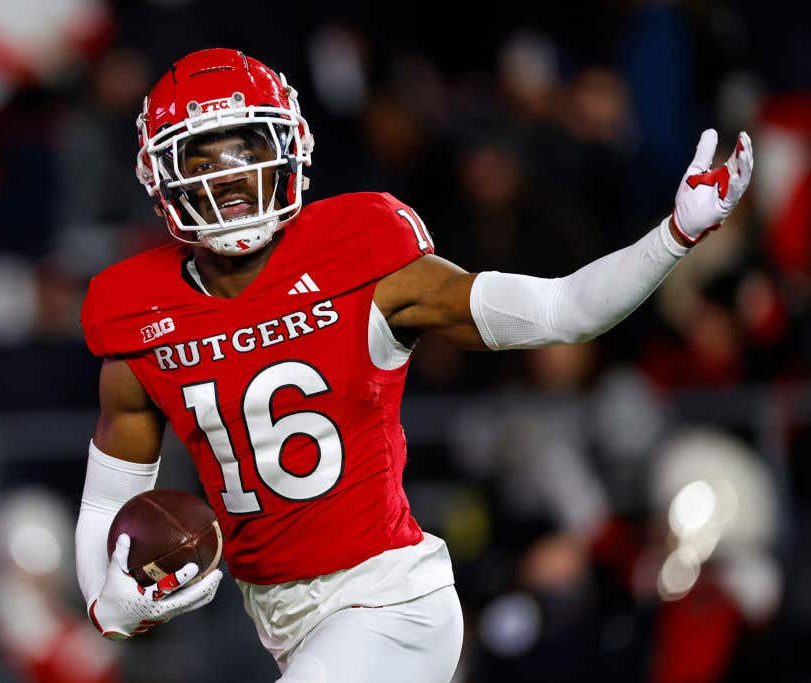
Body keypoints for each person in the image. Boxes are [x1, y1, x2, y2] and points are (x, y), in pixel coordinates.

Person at [74, 48, 753, 682]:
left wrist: (675, 234)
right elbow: (107, 500)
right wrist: (113, 607)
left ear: (288, 150)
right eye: (203, 156)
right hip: (284, 619)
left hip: (392, 600)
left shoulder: (363, 251)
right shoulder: (136, 312)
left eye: (245, 149)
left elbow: (561, 310)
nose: (228, 176)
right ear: (161, 173)